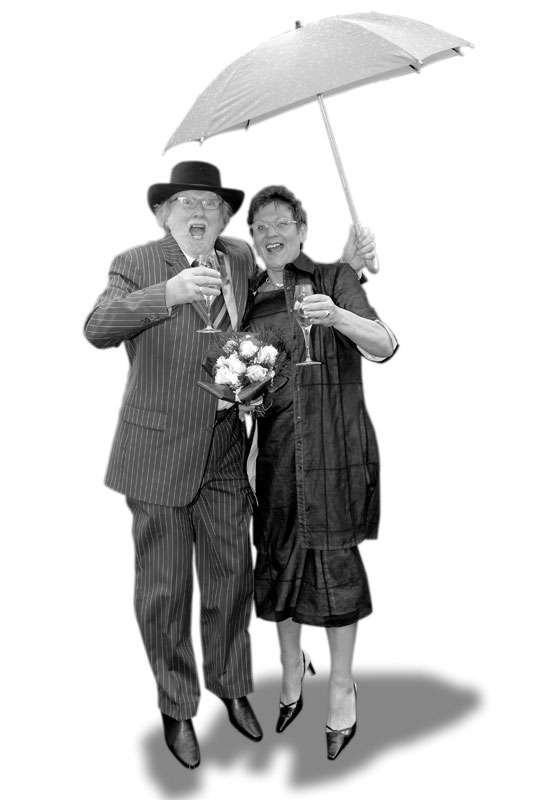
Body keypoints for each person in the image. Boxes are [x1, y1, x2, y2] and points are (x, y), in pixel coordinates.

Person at [84, 161, 262, 770]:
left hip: (224, 448)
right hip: (157, 454)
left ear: (225, 217)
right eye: (186, 202)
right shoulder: (136, 264)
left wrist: (346, 264)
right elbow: (97, 328)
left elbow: (277, 298)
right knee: (165, 590)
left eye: (211, 204)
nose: (199, 212)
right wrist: (168, 294)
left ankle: (231, 685)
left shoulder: (238, 258)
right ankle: (177, 705)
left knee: (232, 576)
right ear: (164, 214)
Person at [243, 185, 397, 760]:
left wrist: (337, 315)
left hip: (332, 450)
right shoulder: (250, 304)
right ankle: (291, 667)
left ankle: (341, 686)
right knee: (277, 562)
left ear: (302, 229)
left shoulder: (334, 278)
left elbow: (385, 344)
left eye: (281, 221)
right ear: (253, 239)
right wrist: (241, 397)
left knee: (334, 568)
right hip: (276, 458)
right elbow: (250, 389)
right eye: (260, 226)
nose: (271, 232)